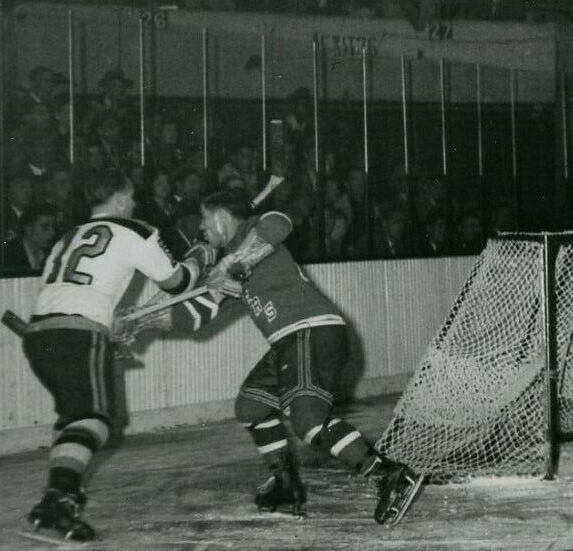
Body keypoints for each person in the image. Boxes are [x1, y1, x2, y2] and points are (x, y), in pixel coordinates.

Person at [128, 191, 423, 523]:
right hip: (289, 341)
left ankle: (386, 475)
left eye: (204, 218)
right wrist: (140, 322)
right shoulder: (230, 266)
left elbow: (279, 222)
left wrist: (236, 262)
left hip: (310, 331)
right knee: (250, 407)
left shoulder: (250, 236)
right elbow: (196, 316)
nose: (201, 227)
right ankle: (285, 484)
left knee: (308, 420)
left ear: (222, 217)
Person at [20, 170, 202, 541]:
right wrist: (201, 256)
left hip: (40, 334)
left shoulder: (66, 236)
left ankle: (58, 496)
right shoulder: (134, 229)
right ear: (119, 199)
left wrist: (106, 320)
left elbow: (64, 291)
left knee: (73, 419)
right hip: (78, 334)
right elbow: (178, 282)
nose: (135, 203)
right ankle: (59, 500)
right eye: (131, 197)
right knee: (94, 419)